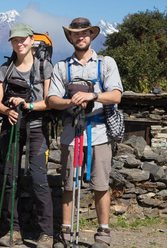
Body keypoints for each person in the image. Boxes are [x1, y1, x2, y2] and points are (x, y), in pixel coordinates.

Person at [47, 18, 123, 248]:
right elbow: (51, 99)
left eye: (85, 33)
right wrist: (70, 101)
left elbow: (117, 95)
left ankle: (103, 233)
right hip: (71, 131)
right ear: (70, 38)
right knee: (69, 184)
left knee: (101, 184)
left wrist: (93, 96)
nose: (80, 37)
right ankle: (66, 233)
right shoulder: (62, 67)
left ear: (91, 36)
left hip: (99, 132)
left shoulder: (106, 63)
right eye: (75, 34)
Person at [0, 23, 54, 248]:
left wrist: (26, 104)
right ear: (11, 43)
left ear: (32, 40)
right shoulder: (6, 68)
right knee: (11, 181)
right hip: (11, 129)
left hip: (37, 128)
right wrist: (7, 110)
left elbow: (49, 101)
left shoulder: (44, 66)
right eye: (15, 40)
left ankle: (46, 233)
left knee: (39, 180)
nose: (20, 43)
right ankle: (13, 230)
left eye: (23, 39)